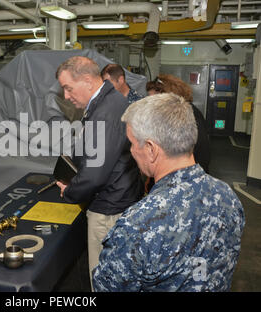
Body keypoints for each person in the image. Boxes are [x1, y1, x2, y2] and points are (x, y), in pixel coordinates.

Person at [93, 93, 245, 292]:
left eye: (131, 142)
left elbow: (106, 287)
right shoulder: (229, 197)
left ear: (151, 149)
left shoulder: (139, 224)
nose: (130, 150)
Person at [55, 56, 144, 289]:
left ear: (87, 80)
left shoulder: (105, 111)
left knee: (102, 280)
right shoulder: (109, 102)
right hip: (120, 196)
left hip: (108, 209)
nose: (66, 95)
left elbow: (95, 174)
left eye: (68, 88)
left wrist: (70, 191)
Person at [146, 74, 210, 173]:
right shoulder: (188, 109)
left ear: (167, 95)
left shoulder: (181, 116)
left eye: (154, 99)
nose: (151, 103)